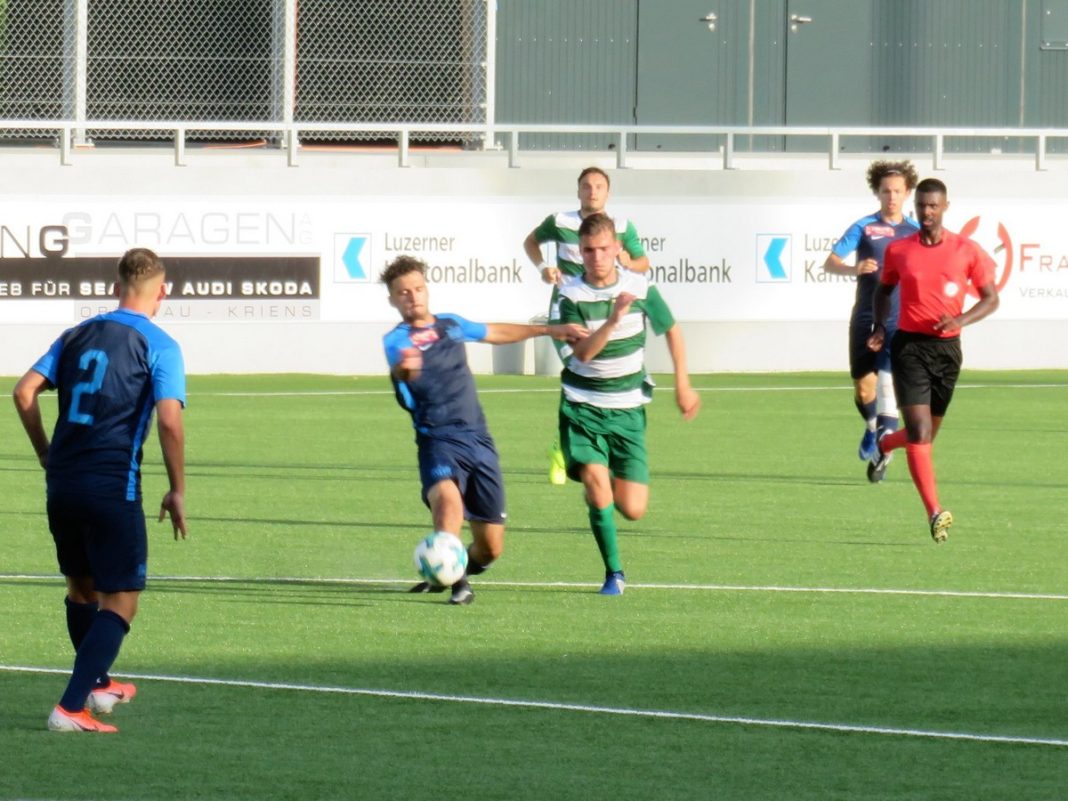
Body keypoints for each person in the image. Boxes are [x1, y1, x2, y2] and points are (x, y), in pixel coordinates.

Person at [12, 247, 187, 733]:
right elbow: (169, 421)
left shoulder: (75, 334)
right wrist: (177, 488)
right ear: (162, 292)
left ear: (116, 288)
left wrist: (45, 452)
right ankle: (70, 708)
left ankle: (99, 684)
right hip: (112, 483)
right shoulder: (160, 343)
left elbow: (23, 392)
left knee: (81, 589)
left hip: (62, 481)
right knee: (121, 600)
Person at [381, 255, 586, 605]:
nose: (412, 297)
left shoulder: (452, 325)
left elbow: (495, 332)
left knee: (491, 548)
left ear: (426, 289)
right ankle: (458, 582)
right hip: (437, 439)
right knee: (447, 503)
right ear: (392, 300)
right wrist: (406, 368)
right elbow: (403, 370)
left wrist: (549, 330)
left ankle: (450, 569)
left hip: (479, 440)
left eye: (417, 288)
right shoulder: (396, 340)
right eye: (403, 292)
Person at [556, 214, 700, 595]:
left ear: (618, 248)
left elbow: (671, 329)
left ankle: (598, 484)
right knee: (597, 486)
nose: (596, 257)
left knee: (633, 509)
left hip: (628, 409)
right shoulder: (570, 295)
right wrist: (613, 319)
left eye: (604, 249)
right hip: (582, 407)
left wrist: (682, 384)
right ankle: (614, 573)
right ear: (580, 252)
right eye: (588, 250)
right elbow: (583, 354)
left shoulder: (639, 286)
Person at [866, 178, 999, 542]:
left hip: (947, 351)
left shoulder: (966, 250)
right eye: (922, 205)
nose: (927, 212)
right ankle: (935, 512)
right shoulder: (900, 250)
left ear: (945, 207)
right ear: (916, 207)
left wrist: (960, 320)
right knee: (921, 433)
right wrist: (879, 326)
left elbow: (991, 298)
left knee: (924, 436)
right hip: (909, 348)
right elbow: (883, 291)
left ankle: (884, 444)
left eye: (933, 206)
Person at [523, 166, 650, 485]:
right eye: (586, 186)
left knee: (599, 373)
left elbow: (643, 262)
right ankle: (568, 442)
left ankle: (588, 445)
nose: (592, 191)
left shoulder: (622, 227)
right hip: (567, 313)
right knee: (581, 366)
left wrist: (628, 263)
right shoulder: (560, 221)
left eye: (598, 186)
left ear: (608, 192)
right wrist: (543, 267)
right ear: (578, 191)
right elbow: (531, 242)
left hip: (606, 314)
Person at [823, 160, 919, 476]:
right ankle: (871, 426)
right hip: (866, 317)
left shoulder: (915, 232)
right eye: (886, 191)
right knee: (865, 390)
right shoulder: (863, 227)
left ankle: (883, 451)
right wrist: (854, 268)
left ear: (907, 193)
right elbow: (830, 262)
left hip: (899, 321)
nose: (892, 197)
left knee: (888, 386)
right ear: (877, 193)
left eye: (897, 191)